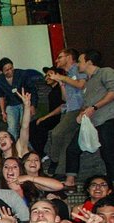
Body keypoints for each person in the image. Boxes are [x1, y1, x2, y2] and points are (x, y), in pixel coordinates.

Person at [45, 49, 87, 184]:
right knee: (66, 141)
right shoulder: (68, 74)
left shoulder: (77, 69)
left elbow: (81, 85)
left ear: (69, 57)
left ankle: (54, 160)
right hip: (70, 109)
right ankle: (61, 171)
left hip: (78, 109)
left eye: (59, 57)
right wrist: (62, 83)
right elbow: (65, 98)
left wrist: (61, 78)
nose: (57, 60)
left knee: (57, 133)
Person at [75, 49, 114, 183]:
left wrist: (95, 107)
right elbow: (87, 104)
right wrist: (82, 113)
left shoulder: (105, 72)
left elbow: (113, 91)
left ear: (89, 62)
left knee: (110, 155)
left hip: (109, 120)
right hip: (97, 124)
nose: (77, 64)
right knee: (107, 156)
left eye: (79, 61)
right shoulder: (87, 82)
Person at [0, 58, 40, 139]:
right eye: (6, 70)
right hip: (11, 105)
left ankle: (27, 148)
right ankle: (13, 148)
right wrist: (3, 112)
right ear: (1, 71)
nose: (10, 71)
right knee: (11, 128)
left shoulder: (22, 74)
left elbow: (33, 90)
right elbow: (0, 96)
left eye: (11, 68)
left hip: (24, 103)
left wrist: (32, 105)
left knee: (24, 126)